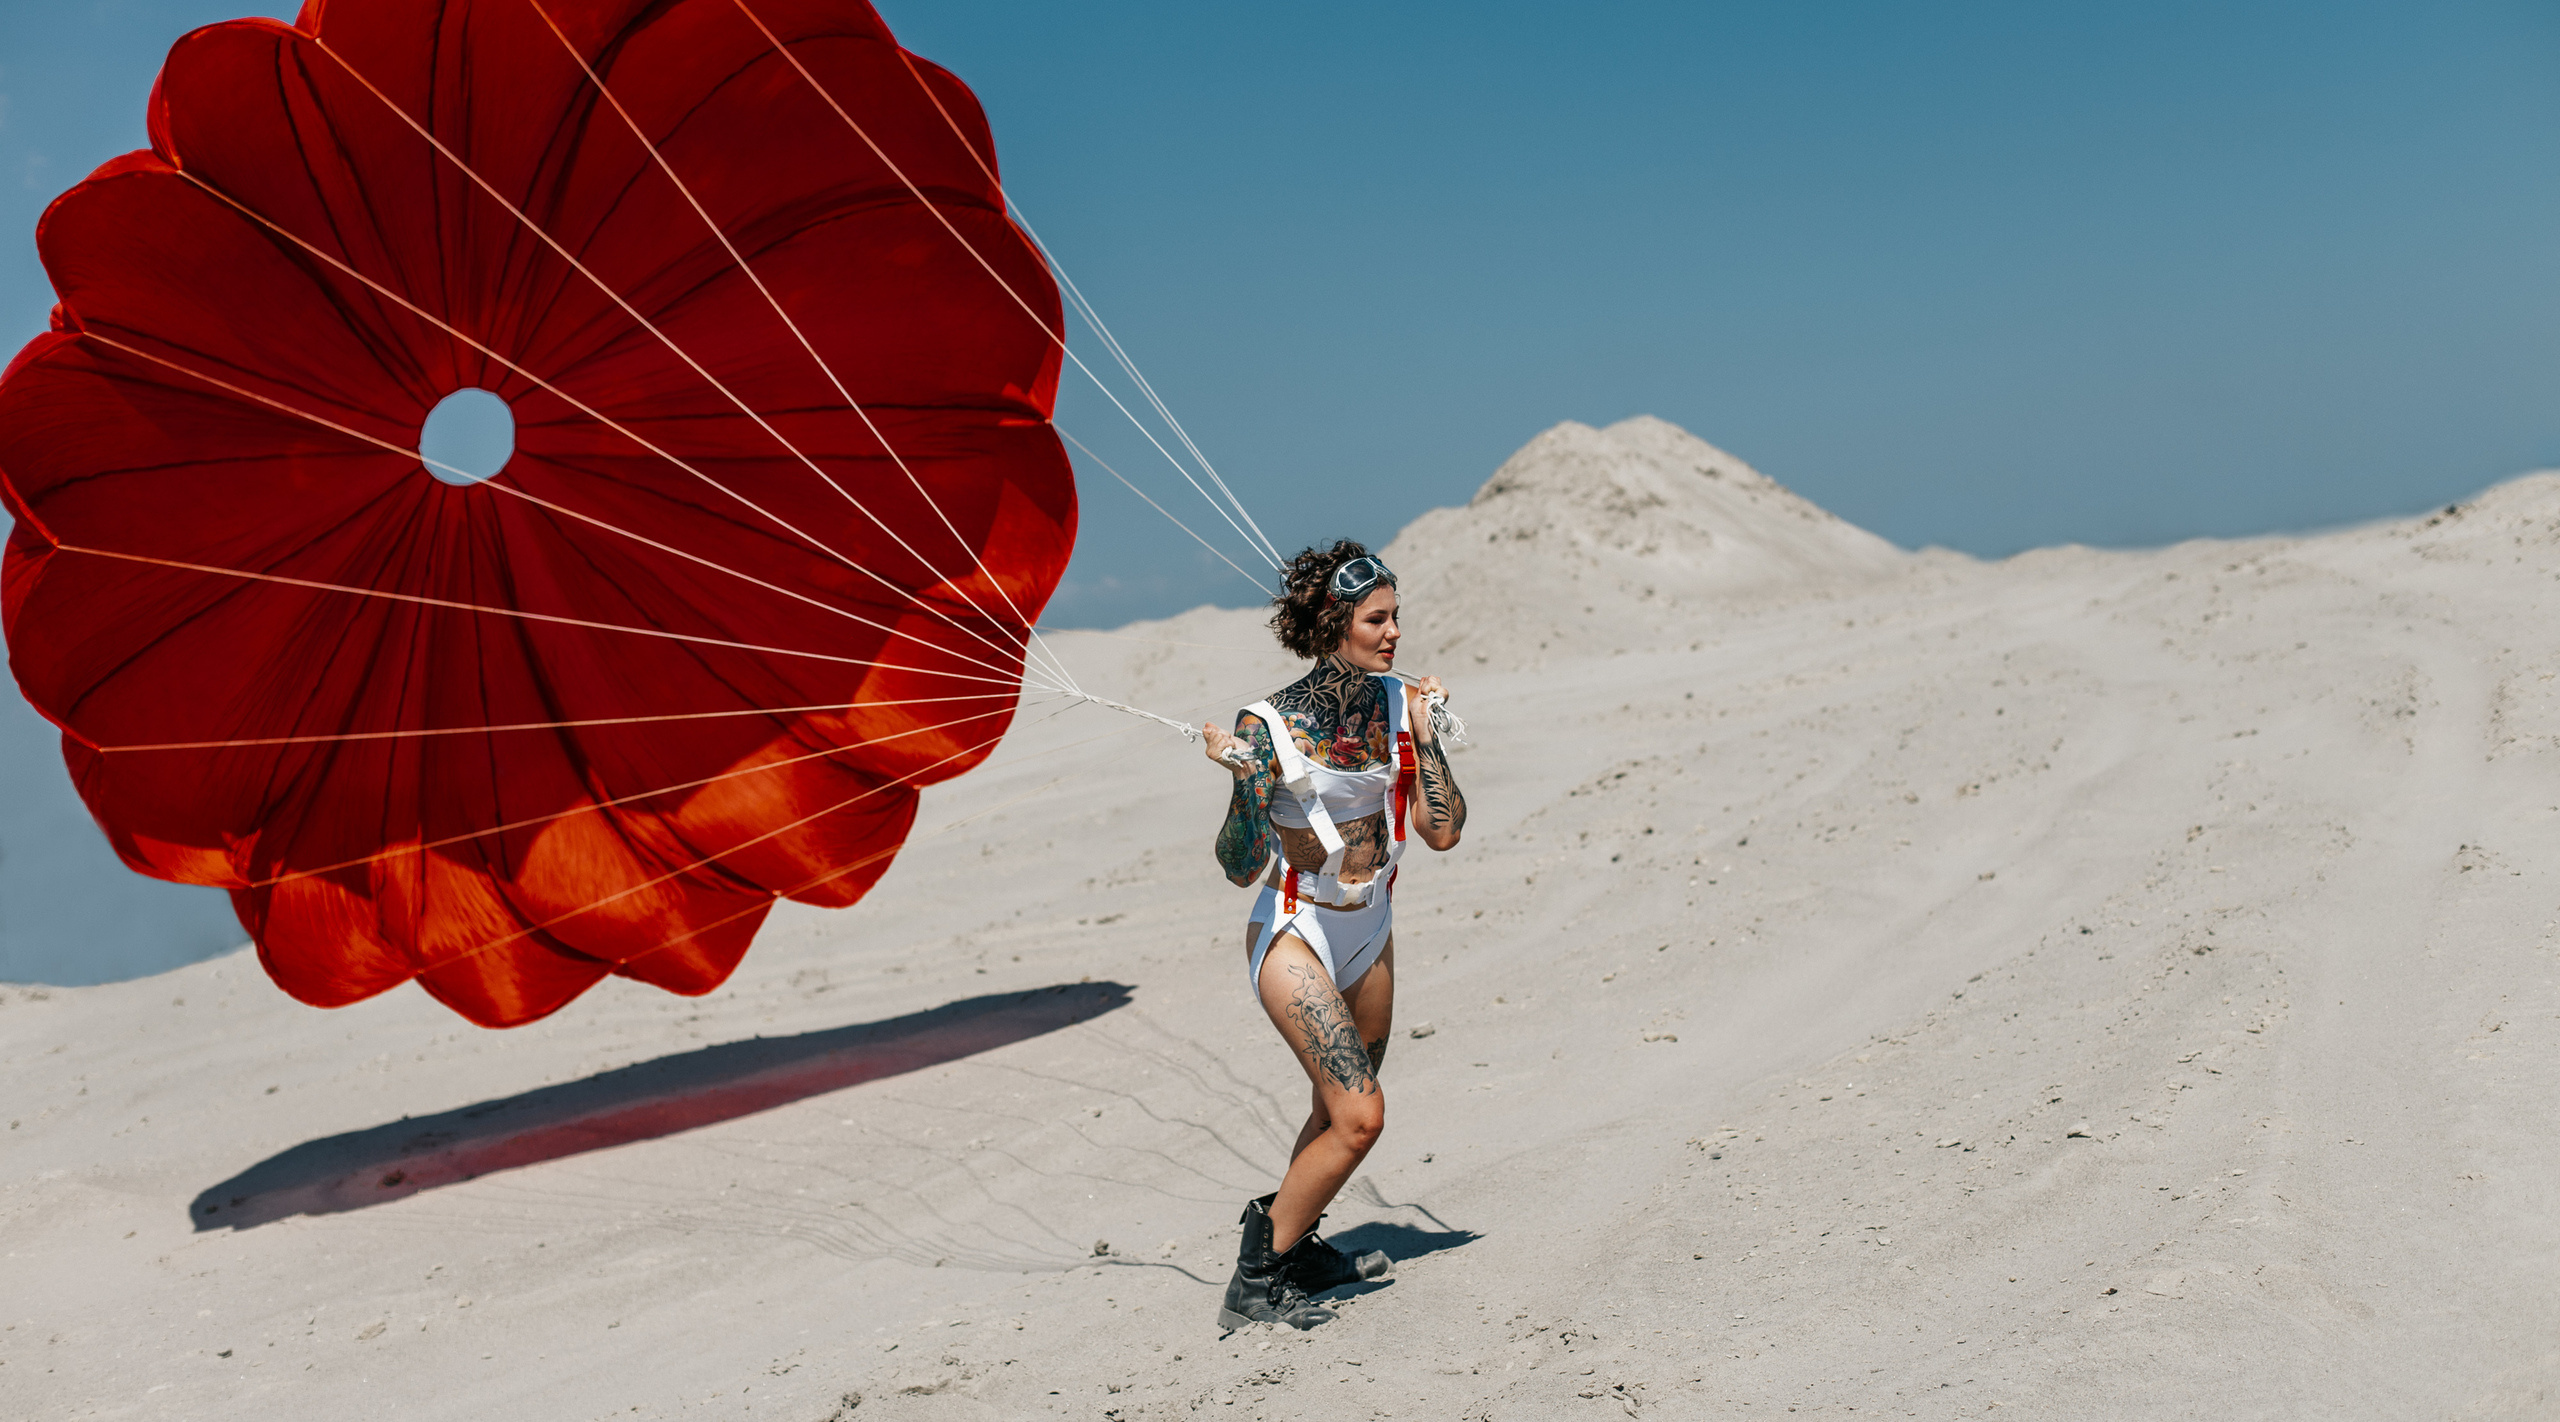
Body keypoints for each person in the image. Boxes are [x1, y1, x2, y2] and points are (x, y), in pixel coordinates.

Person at [1199, 541, 1468, 1331]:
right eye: (1375, 620)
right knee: (1361, 1114)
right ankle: (1255, 1279)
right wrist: (1249, 783)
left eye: (1395, 618)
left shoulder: (1398, 703)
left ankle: (1296, 1244)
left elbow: (1441, 833)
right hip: (1294, 929)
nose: (1393, 635)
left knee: (1334, 1104)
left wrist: (1427, 734)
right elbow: (1238, 865)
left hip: (1371, 927)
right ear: (1331, 624)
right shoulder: (1268, 722)